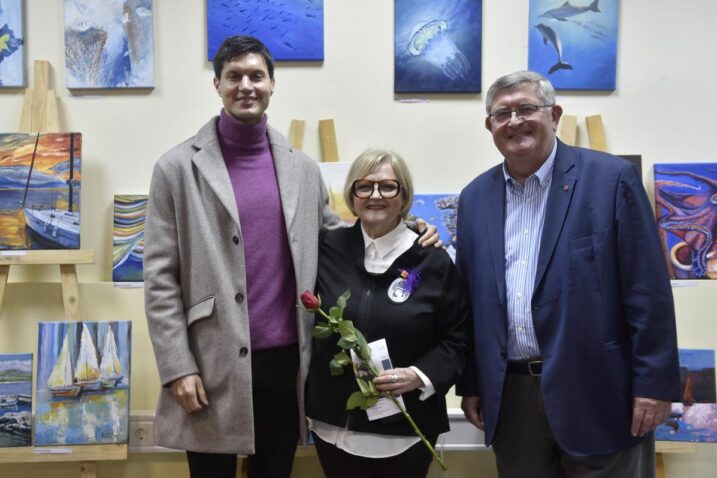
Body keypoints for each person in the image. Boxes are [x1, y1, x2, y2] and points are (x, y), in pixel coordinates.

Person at [144, 36, 438, 478]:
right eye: (234, 76)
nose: (246, 85)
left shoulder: (301, 168)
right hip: (209, 361)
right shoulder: (176, 168)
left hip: (287, 363)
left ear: (272, 85)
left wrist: (405, 229)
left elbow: (340, 240)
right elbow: (160, 279)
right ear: (217, 85)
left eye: (256, 76)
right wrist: (176, 367)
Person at [455, 70, 681, 478]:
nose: (514, 121)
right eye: (501, 114)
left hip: (601, 392)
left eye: (527, 108)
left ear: (554, 114)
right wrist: (473, 382)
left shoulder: (611, 180)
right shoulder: (474, 198)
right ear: (489, 126)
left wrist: (654, 384)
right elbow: (471, 303)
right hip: (512, 398)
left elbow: (647, 290)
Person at [305, 149, 469, 478]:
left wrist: (419, 376)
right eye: (364, 187)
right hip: (333, 426)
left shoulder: (433, 261)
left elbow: (459, 340)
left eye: (387, 186)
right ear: (352, 195)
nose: (375, 195)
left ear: (404, 194)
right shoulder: (327, 247)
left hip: (406, 431)